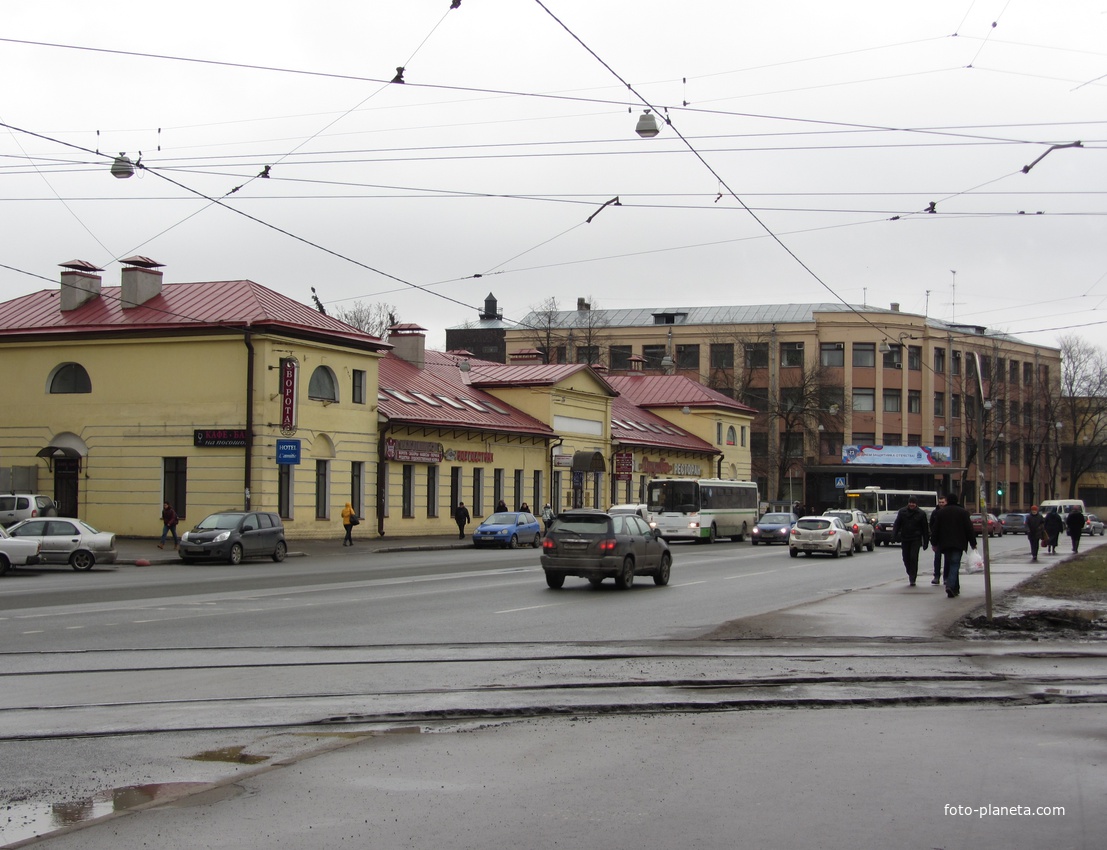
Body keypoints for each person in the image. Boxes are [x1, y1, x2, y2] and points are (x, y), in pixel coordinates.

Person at [929, 492, 977, 598]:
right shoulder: (963, 512)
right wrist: (973, 543)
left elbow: (935, 529)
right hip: (959, 543)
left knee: (951, 563)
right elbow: (969, 529)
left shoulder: (941, 512)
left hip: (945, 543)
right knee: (955, 564)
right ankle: (950, 586)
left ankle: (955, 588)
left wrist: (934, 543)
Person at [892, 495, 930, 586]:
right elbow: (897, 524)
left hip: (916, 539)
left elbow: (925, 529)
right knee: (906, 558)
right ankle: (910, 572)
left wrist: (926, 542)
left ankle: (913, 577)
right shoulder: (902, 512)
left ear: (916, 504)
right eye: (910, 503)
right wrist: (893, 536)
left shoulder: (921, 514)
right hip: (905, 538)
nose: (911, 504)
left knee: (913, 558)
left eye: (913, 503)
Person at [929, 495, 947, 584]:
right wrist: (933, 541)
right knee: (937, 558)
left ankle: (946, 577)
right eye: (940, 502)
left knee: (947, 559)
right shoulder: (935, 512)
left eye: (942, 502)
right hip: (938, 539)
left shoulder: (949, 511)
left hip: (947, 539)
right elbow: (931, 526)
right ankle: (936, 576)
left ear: (946, 502)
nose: (941, 504)